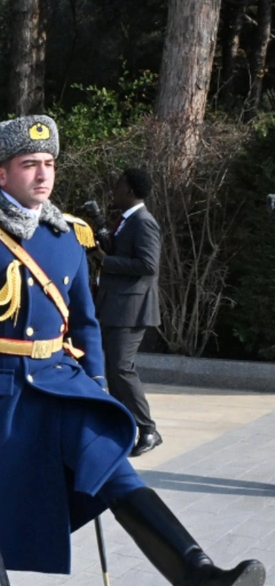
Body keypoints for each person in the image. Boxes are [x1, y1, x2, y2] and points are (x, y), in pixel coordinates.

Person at [0, 115, 265, 586]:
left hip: (62, 386)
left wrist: (99, 392)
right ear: (1, 172)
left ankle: (197, 575)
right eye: (30, 165)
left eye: (49, 163)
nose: (43, 174)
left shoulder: (68, 236)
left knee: (113, 470)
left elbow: (85, 324)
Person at [92, 168, 162, 457]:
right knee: (113, 370)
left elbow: (148, 265)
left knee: (121, 368)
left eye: (119, 185)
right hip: (115, 307)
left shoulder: (144, 222)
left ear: (131, 191)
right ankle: (125, 427)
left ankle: (148, 429)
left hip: (131, 309)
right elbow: (122, 252)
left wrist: (104, 260)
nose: (115, 189)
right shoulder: (126, 222)